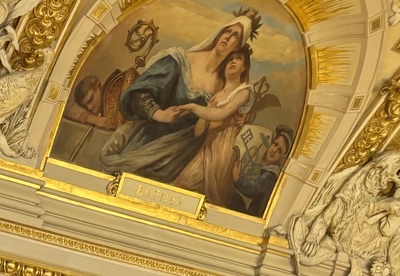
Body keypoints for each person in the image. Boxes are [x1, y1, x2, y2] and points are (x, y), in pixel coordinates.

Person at [99, 15, 257, 187]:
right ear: (219, 33)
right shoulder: (180, 60)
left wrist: (231, 121)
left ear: (238, 46)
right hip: (149, 140)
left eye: (235, 36)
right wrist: (159, 113)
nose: (228, 37)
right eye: (227, 31)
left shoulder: (223, 85)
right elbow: (137, 94)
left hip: (184, 152)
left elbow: (212, 122)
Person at [172, 47, 254, 208]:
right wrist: (205, 113)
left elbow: (222, 114)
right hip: (207, 147)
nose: (232, 62)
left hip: (224, 147)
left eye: (238, 58)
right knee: (184, 182)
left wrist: (195, 108)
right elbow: (198, 132)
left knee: (212, 197)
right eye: (230, 59)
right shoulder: (216, 97)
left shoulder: (244, 92)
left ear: (244, 67)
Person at [234, 123, 292, 214]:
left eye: (280, 151)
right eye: (275, 144)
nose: (274, 150)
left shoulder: (270, 175)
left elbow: (255, 189)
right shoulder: (264, 166)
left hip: (254, 216)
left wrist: (238, 179)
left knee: (232, 198)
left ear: (282, 157)